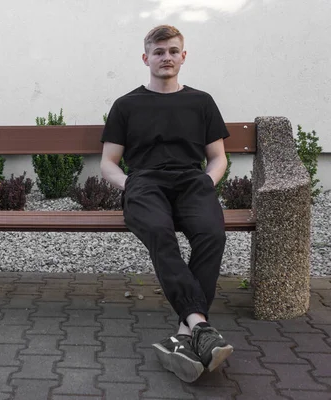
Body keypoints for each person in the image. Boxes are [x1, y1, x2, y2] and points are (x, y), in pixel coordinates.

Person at [100, 25, 234, 383]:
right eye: (159, 52)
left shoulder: (201, 101)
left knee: (212, 235)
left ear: (183, 57)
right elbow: (108, 162)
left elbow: (218, 158)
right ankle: (201, 328)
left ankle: (187, 332)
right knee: (160, 233)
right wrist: (130, 184)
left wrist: (206, 181)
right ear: (146, 58)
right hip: (145, 182)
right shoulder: (126, 105)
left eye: (173, 51)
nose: (166, 58)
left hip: (192, 182)